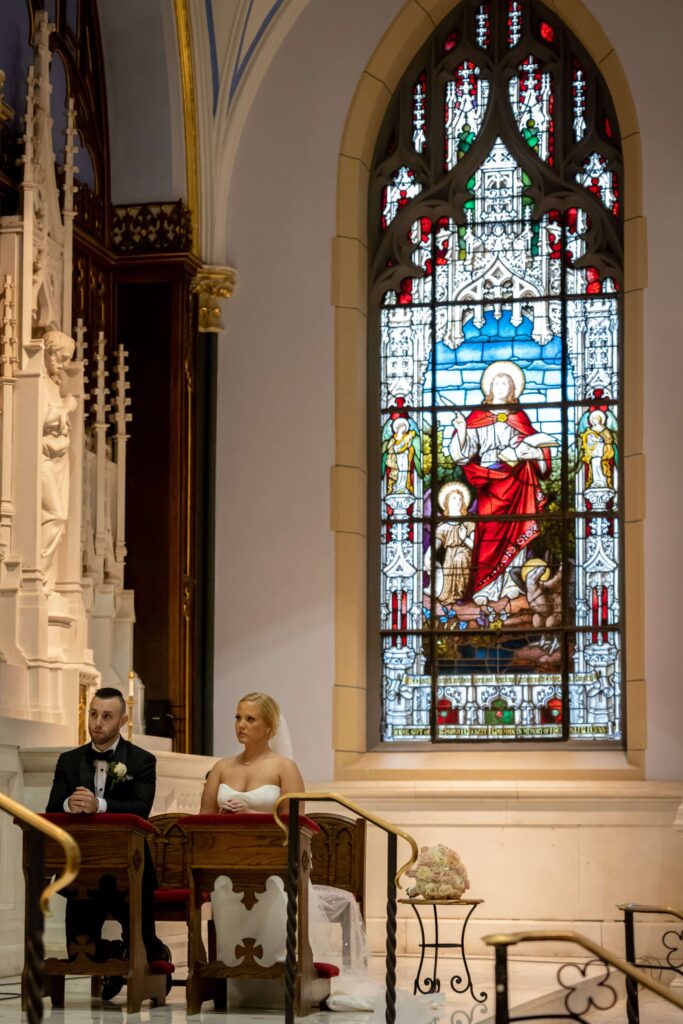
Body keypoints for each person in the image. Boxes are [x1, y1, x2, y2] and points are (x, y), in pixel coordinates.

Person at [201, 693, 369, 1010]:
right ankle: (238, 985)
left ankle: (279, 986)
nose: (241, 725)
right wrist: (222, 818)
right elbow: (202, 820)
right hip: (229, 867)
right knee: (224, 893)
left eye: (250, 719)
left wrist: (252, 817)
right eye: (238, 718)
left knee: (276, 893)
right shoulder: (221, 768)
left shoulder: (283, 767)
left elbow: (296, 822)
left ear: (269, 725)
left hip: (275, 867)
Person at [46, 687, 171, 1000]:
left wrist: (99, 806)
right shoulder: (69, 760)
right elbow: (51, 808)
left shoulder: (142, 761)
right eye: (93, 714)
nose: (97, 722)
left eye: (106, 716)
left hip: (130, 868)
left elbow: (141, 808)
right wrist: (68, 804)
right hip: (84, 868)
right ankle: (117, 954)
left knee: (143, 942)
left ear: (123, 720)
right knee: (79, 950)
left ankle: (156, 952)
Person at [448, 360, 554, 606]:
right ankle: (486, 587)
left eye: (505, 381)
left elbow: (539, 449)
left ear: (514, 389)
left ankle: (510, 585)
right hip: (489, 482)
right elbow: (463, 454)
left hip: (517, 480)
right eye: (496, 381)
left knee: (515, 530)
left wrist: (534, 453)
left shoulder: (520, 418)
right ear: (489, 386)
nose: (500, 385)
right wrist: (463, 429)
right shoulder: (477, 417)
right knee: (489, 534)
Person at [41, 330, 78, 590]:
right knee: (55, 515)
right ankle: (37, 578)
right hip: (43, 459)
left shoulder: (54, 385)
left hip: (58, 460)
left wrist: (67, 405)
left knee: (60, 518)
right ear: (47, 351)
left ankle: (44, 580)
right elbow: (40, 417)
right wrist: (65, 407)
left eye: (66, 360)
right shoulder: (39, 383)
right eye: (61, 358)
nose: (63, 365)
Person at [429, 481, 474, 604]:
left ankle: (462, 593)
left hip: (466, 554)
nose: (458, 501)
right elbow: (436, 544)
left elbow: (476, 547)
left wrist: (464, 538)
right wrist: (428, 556)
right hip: (450, 555)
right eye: (454, 498)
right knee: (450, 563)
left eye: (460, 498)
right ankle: (451, 595)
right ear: (447, 502)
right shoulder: (443, 526)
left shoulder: (469, 522)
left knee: (459, 559)